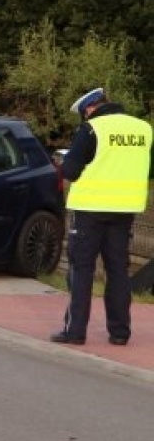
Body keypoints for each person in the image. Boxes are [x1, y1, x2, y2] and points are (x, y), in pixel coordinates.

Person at [52, 87, 154, 346]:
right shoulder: (143, 128)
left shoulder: (91, 130)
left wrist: (62, 165)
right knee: (118, 270)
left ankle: (75, 331)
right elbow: (148, 169)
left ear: (89, 109)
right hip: (125, 210)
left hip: (90, 209)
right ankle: (120, 333)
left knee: (81, 269)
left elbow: (71, 172)